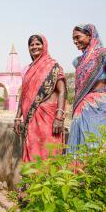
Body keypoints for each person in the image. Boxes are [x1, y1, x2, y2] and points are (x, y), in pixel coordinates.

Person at [67, 24, 106, 153]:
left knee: (100, 145)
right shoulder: (78, 61)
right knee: (80, 146)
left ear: (89, 35)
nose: (75, 41)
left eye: (78, 37)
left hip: (99, 107)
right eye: (73, 39)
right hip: (81, 109)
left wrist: (103, 100)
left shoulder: (103, 55)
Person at [14, 34, 67, 162]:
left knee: (49, 152)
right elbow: (24, 95)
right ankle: (32, 182)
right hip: (30, 120)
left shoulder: (53, 66)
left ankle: (49, 181)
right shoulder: (27, 70)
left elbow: (62, 91)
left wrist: (59, 116)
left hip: (48, 118)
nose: (34, 47)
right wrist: (17, 116)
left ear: (44, 46)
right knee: (32, 152)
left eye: (38, 44)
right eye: (31, 45)